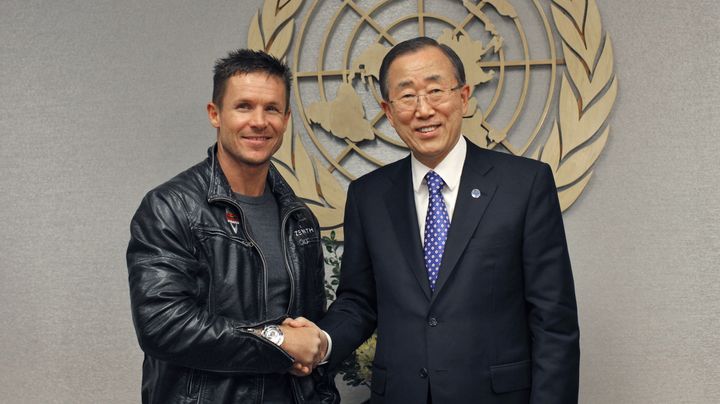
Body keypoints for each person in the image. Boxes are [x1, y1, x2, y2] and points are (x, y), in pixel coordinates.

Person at [313, 37, 580, 403]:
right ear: (388, 111)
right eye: (407, 96)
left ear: (463, 96)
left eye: (436, 90)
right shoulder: (368, 196)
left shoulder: (525, 184)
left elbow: (554, 322)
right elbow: (360, 301)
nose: (423, 110)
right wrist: (319, 342)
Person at [126, 49, 338, 404]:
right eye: (244, 106)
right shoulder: (170, 207)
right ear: (215, 114)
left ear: (286, 119)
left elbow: (311, 336)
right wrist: (279, 341)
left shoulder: (299, 218)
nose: (259, 121)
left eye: (271, 108)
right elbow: (162, 326)